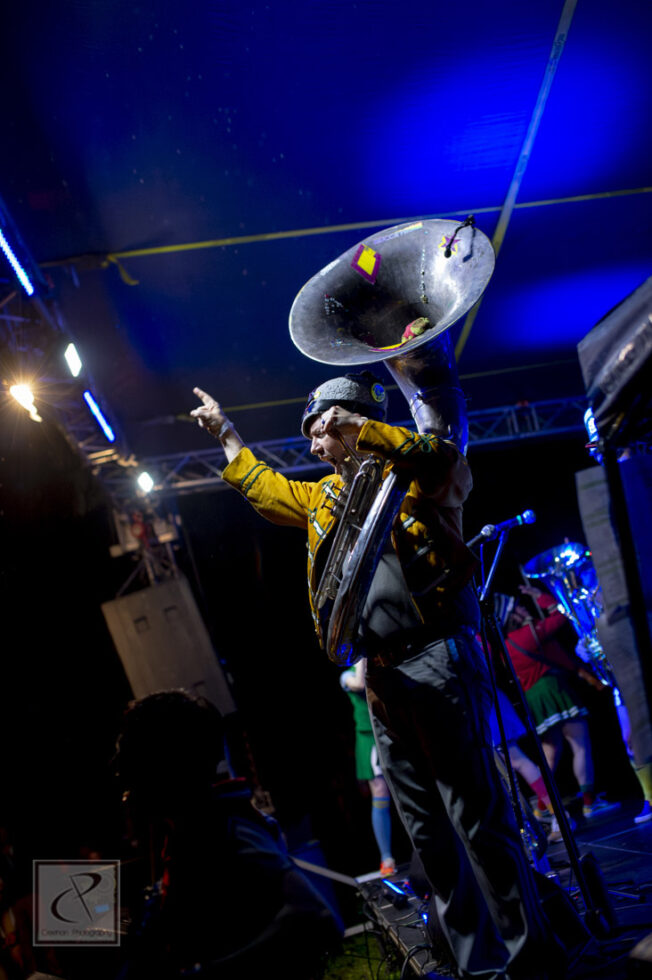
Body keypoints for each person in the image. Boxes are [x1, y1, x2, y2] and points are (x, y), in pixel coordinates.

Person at [191, 375, 569, 980]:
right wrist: (227, 433)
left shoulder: (414, 473)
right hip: (383, 677)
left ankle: (532, 963)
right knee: (428, 833)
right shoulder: (324, 498)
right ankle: (477, 968)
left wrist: (364, 429)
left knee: (478, 819)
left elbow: (446, 460)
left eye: (321, 429)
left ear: (348, 420)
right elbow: (266, 489)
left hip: (438, 658)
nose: (314, 445)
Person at [112, 689, 342, 980]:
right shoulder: (188, 832)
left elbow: (315, 916)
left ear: (167, 764)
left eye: (130, 756)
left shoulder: (227, 830)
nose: (118, 769)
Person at [500, 584, 619, 828]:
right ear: (512, 617)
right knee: (580, 744)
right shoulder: (529, 634)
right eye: (519, 608)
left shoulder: (506, 646)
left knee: (550, 753)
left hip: (534, 699)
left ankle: (542, 805)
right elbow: (560, 617)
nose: (524, 608)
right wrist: (540, 597)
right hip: (552, 690)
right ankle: (589, 802)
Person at [340, 659, 395, 876]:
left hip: (390, 730)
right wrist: (362, 659)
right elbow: (359, 684)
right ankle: (386, 858)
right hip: (369, 738)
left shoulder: (380, 664)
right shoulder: (347, 675)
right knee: (380, 793)